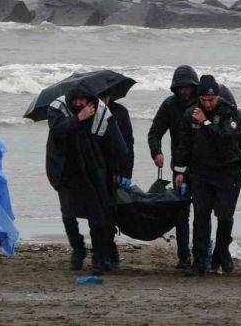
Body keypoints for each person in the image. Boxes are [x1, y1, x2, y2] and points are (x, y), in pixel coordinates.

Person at [176, 75, 241, 277]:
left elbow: (231, 140)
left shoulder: (232, 114)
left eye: (211, 100)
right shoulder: (190, 115)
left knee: (224, 218)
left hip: (228, 173)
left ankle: (220, 253)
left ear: (217, 97)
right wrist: (179, 172)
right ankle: (199, 262)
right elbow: (183, 146)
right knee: (200, 217)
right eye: (204, 100)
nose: (207, 104)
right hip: (201, 174)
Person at [46, 82, 127, 275]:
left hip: (93, 170)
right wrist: (78, 119)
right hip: (64, 169)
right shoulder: (57, 107)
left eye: (83, 100)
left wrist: (117, 170)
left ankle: (98, 258)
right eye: (76, 99)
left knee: (97, 217)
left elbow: (116, 146)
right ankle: (78, 248)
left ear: (91, 99)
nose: (79, 103)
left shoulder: (103, 113)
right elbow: (57, 131)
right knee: (68, 214)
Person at [147, 65, 199, 268]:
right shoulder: (169, 105)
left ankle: (201, 255)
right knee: (181, 213)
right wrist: (156, 152)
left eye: (187, 87)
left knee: (202, 213)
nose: (184, 91)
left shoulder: (202, 103)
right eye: (180, 88)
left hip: (204, 167)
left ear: (194, 87)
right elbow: (155, 131)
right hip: (179, 169)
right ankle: (184, 256)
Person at [98, 91, 134, 269]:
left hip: (114, 172)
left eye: (105, 97)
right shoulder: (88, 112)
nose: (103, 101)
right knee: (97, 214)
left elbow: (128, 144)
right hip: (95, 170)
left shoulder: (120, 112)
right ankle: (104, 251)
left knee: (110, 213)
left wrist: (125, 172)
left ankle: (110, 251)